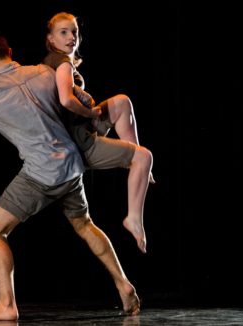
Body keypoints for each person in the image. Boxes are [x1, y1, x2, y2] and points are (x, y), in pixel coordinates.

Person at [0, 32, 140, 321]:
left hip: (41, 174)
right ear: (9, 50)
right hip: (72, 164)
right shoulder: (43, 72)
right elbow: (79, 96)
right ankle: (124, 285)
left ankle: (6, 305)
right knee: (85, 225)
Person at [43, 12, 154, 253]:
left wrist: (88, 111)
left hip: (80, 129)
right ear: (51, 39)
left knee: (122, 102)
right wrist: (90, 114)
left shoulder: (61, 62)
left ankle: (133, 161)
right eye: (63, 32)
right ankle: (133, 218)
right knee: (145, 157)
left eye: (74, 31)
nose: (72, 36)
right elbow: (65, 100)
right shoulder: (62, 63)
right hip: (79, 142)